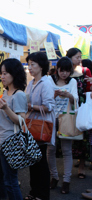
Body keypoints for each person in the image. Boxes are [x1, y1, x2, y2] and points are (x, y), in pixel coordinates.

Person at [0, 58, 27, 200]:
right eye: (1, 73)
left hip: (11, 142)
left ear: (14, 73)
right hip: (1, 141)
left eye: (5, 73)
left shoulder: (19, 95)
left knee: (10, 180)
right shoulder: (6, 93)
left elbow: (21, 121)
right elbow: (1, 121)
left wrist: (6, 108)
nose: (2, 76)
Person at [25, 52, 55, 200]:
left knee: (40, 162)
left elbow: (49, 106)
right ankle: (34, 191)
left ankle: (42, 194)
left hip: (40, 127)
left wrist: (31, 106)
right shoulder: (31, 83)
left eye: (33, 64)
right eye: (28, 64)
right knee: (34, 161)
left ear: (41, 66)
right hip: (31, 126)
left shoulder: (46, 83)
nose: (29, 68)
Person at [46, 57, 78, 194]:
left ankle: (66, 181)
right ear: (57, 69)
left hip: (66, 119)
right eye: (61, 70)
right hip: (51, 119)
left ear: (70, 71)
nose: (64, 73)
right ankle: (54, 177)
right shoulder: (49, 80)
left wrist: (68, 95)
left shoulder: (73, 81)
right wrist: (53, 95)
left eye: (67, 71)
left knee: (66, 151)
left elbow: (76, 98)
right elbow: (46, 99)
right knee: (50, 150)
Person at [67, 48, 92, 179]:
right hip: (68, 108)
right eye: (77, 57)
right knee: (67, 136)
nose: (80, 59)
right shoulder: (65, 71)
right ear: (70, 58)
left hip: (82, 108)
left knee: (83, 138)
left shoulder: (85, 71)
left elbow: (89, 91)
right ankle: (67, 168)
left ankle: (81, 167)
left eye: (80, 57)